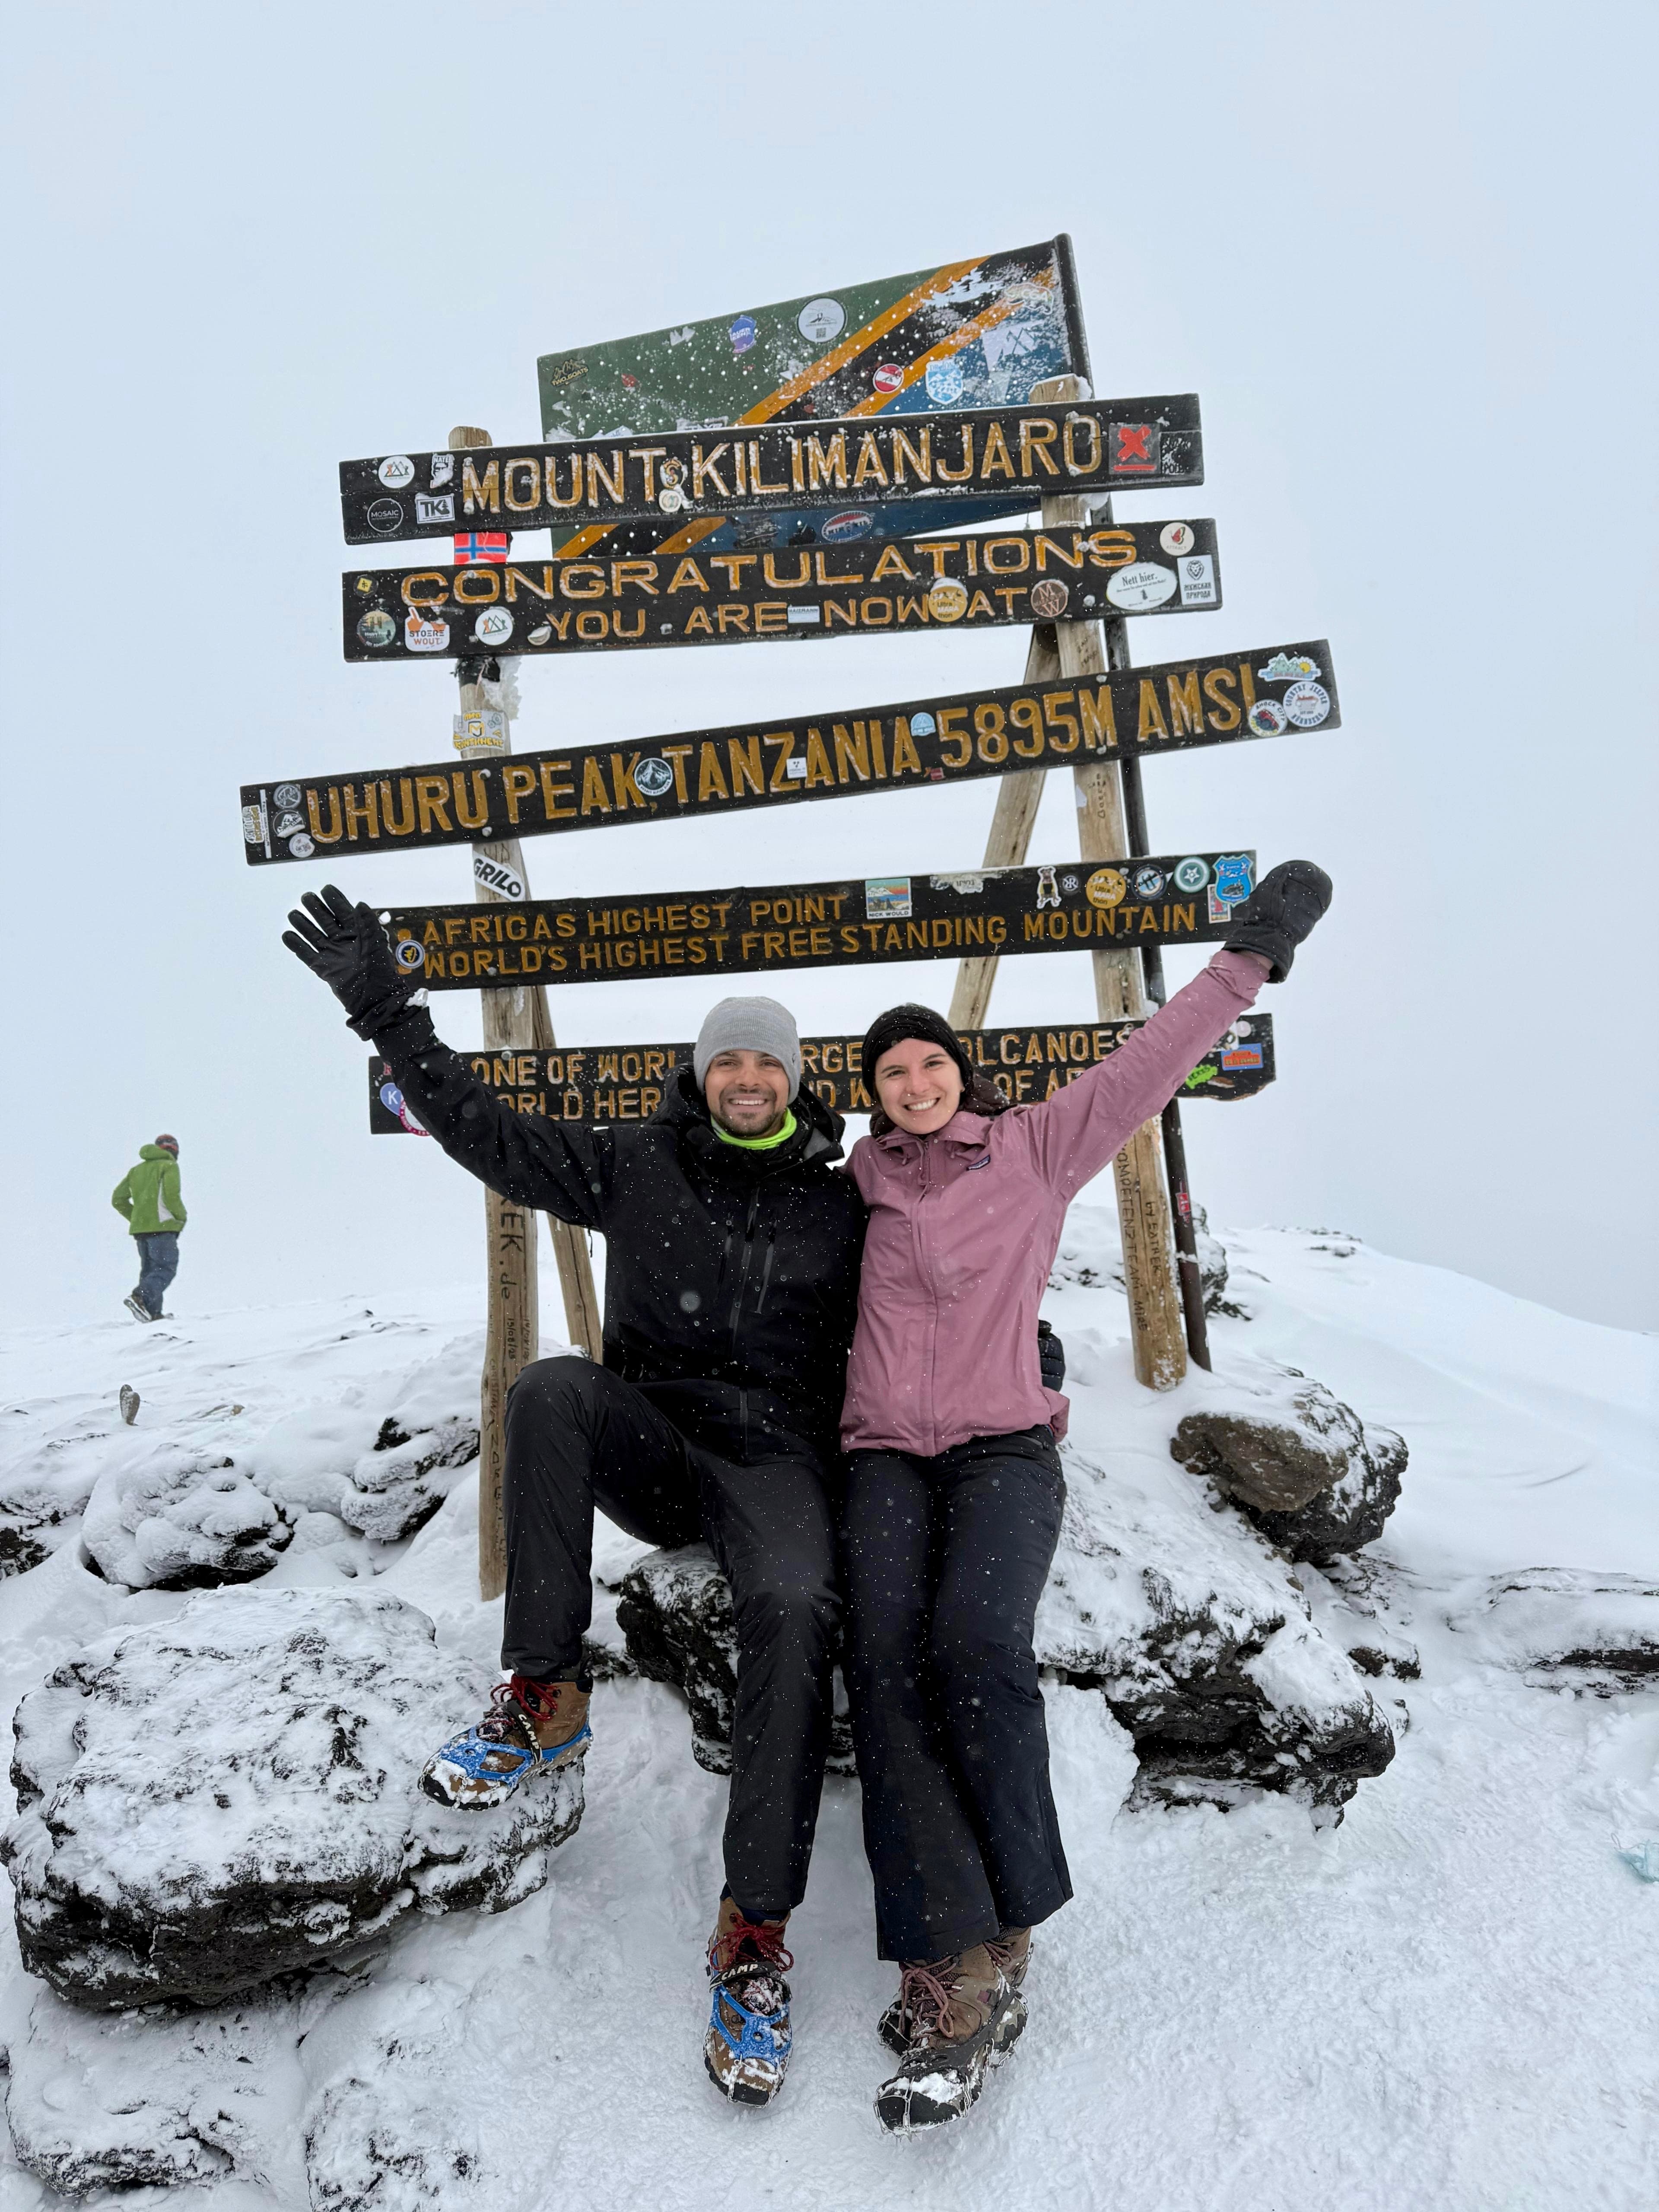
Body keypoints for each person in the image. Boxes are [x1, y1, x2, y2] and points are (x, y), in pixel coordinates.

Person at [281, 887, 866, 2108]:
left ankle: (753, 1936)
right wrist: (386, 1012)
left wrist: (1021, 1361)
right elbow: (488, 1133)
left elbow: (946, 1282)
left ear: (799, 1081)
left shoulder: (844, 1199)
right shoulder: (638, 1162)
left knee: (801, 1606)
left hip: (778, 1466)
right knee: (551, 1386)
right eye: (728, 1060)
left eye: (767, 1061)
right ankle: (544, 1693)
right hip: (659, 1441)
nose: (747, 1077)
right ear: (702, 1075)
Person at [836, 861, 1334, 2133]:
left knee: (977, 1645)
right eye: (889, 1072)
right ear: (874, 1095)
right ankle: (946, 1952)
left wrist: (1249, 954)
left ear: (955, 1069)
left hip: (1003, 1448)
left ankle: (1002, 1933)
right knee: (884, 1665)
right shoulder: (858, 1187)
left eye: (926, 1061)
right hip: (884, 1453)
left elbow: (1153, 1057)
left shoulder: (1034, 1146)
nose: (911, 1081)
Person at [111, 1135, 187, 1322]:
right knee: (166, 1269)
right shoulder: (169, 1166)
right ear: (175, 1151)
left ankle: (153, 1314)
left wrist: (138, 1219)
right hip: (163, 1228)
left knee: (150, 1271)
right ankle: (141, 1297)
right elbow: (172, 1196)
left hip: (141, 1231)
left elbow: (118, 1199)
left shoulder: (136, 1171)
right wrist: (180, 1219)